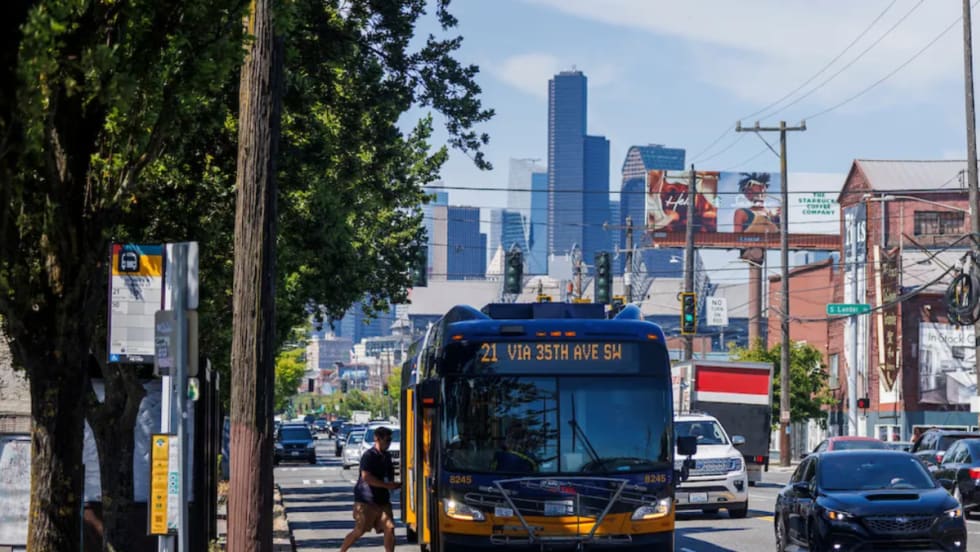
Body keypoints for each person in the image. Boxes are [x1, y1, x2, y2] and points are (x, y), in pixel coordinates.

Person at [339, 426, 400, 552]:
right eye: (386, 440)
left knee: (390, 528)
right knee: (359, 531)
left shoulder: (387, 456)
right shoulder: (369, 456)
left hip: (382, 501)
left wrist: (395, 484)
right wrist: (387, 485)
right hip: (366, 501)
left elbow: (389, 475)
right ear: (377, 439)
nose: (389, 443)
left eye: (390, 440)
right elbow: (366, 477)